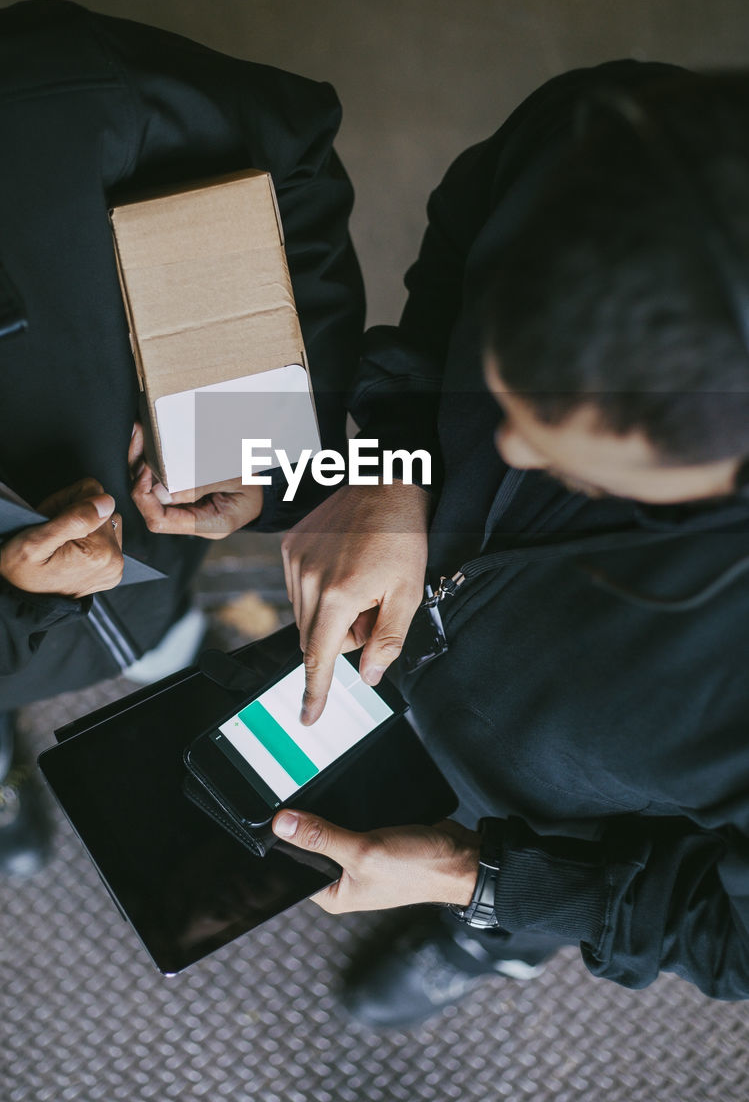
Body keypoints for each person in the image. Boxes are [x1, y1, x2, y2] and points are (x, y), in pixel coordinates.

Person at [275, 61, 749, 1025]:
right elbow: (456, 252)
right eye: (502, 387)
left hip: (568, 821)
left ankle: (492, 945)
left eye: (575, 462)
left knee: (518, 898)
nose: (503, 448)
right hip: (441, 689)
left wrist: (481, 880)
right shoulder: (598, 139)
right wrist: (391, 463)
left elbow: (731, 939)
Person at [0, 0, 364, 876]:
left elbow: (285, 154)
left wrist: (243, 425)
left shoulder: (42, 88)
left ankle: (167, 652)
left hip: (156, 545)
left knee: (161, 625)